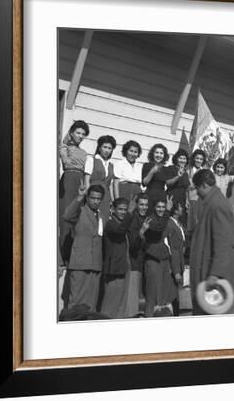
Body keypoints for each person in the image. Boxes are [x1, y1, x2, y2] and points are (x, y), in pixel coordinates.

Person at [189, 169, 234, 315]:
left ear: (203, 185)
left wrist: (215, 273)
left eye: (196, 188)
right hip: (211, 271)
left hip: (216, 276)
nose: (197, 192)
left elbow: (224, 243)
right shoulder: (212, 203)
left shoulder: (217, 205)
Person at [61, 183, 105, 313]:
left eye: (98, 199)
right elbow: (67, 216)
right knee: (76, 303)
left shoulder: (100, 215)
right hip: (80, 263)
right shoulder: (80, 210)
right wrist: (79, 197)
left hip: (95, 265)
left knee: (91, 304)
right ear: (88, 197)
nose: (96, 201)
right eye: (93, 198)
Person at [58, 120, 90, 266]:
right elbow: (65, 160)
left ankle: (72, 254)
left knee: (76, 216)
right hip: (69, 179)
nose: (80, 136)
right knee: (65, 215)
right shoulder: (66, 147)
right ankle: (62, 255)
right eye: (78, 132)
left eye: (83, 134)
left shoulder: (84, 153)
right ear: (71, 133)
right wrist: (65, 154)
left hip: (80, 181)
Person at [140, 198, 178, 317]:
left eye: (163, 207)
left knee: (164, 294)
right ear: (154, 208)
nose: (161, 209)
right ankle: (149, 316)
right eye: (158, 207)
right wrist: (167, 211)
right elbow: (158, 229)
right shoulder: (150, 218)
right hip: (152, 259)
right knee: (152, 293)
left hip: (164, 259)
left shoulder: (165, 219)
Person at [100, 197, 133, 319]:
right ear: (113, 209)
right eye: (120, 209)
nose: (123, 212)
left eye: (125, 210)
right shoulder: (110, 223)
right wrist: (130, 213)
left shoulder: (122, 223)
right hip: (114, 269)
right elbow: (119, 231)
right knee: (110, 304)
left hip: (123, 267)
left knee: (120, 304)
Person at [126, 193, 150, 317]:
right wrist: (141, 233)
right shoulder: (133, 219)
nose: (144, 207)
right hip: (134, 263)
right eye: (141, 204)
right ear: (136, 205)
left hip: (142, 263)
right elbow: (133, 245)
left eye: (146, 205)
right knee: (132, 301)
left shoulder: (146, 218)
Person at [84, 135, 116, 222]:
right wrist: (87, 196)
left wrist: (113, 201)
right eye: (104, 147)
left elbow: (110, 186)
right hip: (93, 194)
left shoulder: (111, 165)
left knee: (103, 218)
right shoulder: (92, 160)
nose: (107, 150)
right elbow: (87, 179)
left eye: (109, 148)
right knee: (91, 218)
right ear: (99, 147)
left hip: (105, 196)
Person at [164, 202, 186, 315]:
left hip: (180, 263)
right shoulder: (170, 225)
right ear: (175, 210)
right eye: (180, 207)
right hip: (173, 265)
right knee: (172, 296)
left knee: (177, 296)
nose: (182, 208)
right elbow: (172, 249)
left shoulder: (179, 224)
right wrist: (176, 270)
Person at [113, 140, 143, 212]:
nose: (133, 154)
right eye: (131, 151)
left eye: (135, 152)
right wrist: (117, 201)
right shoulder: (120, 163)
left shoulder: (140, 166)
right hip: (124, 192)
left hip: (136, 194)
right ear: (126, 151)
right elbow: (115, 184)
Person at [141, 143, 171, 214]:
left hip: (162, 196)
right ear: (152, 154)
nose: (159, 155)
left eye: (161, 153)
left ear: (164, 156)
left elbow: (168, 183)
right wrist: (152, 171)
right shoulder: (147, 165)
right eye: (156, 152)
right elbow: (145, 183)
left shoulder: (166, 169)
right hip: (150, 195)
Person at [165, 149, 191, 222]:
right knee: (170, 219)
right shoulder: (171, 168)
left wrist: (187, 200)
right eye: (180, 158)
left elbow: (186, 188)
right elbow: (168, 182)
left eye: (184, 158)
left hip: (182, 200)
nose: (182, 160)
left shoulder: (185, 173)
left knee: (181, 220)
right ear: (176, 159)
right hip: (172, 198)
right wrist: (178, 176)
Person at [186, 149, 207, 234]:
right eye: (197, 158)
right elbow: (186, 187)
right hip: (191, 200)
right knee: (190, 223)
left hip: (201, 200)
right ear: (193, 159)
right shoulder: (188, 171)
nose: (198, 161)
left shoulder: (205, 172)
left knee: (200, 223)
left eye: (201, 159)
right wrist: (186, 199)